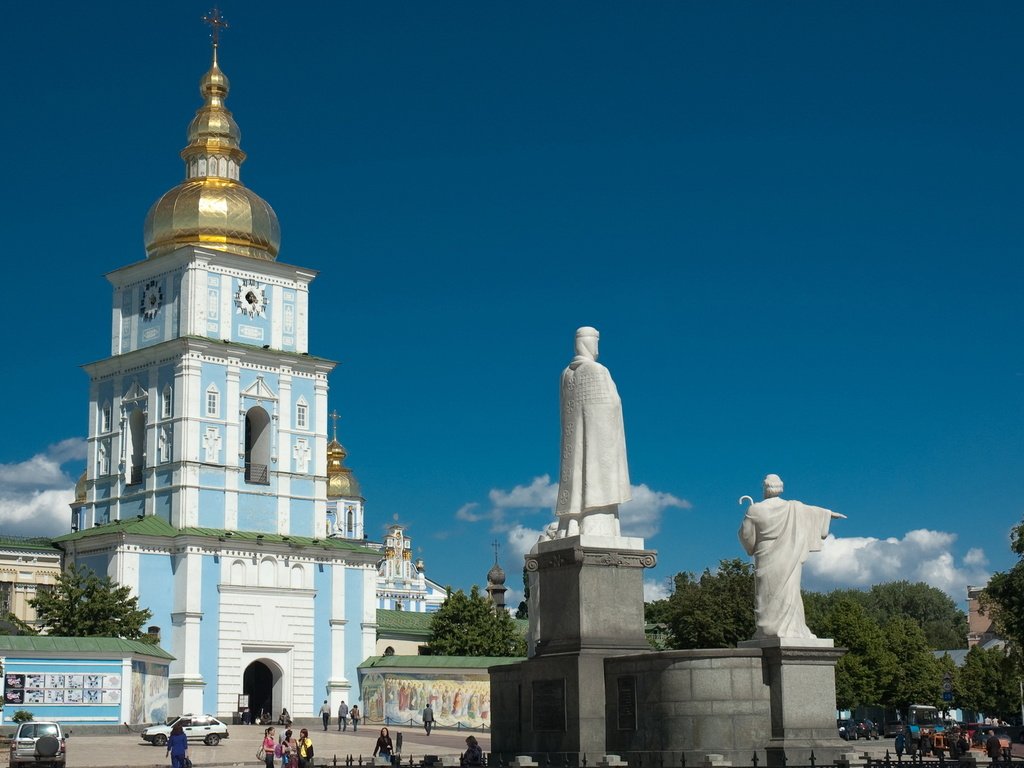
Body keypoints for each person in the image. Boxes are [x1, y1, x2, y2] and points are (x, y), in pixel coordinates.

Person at [738, 474, 845, 638]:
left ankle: (769, 630)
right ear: (780, 487)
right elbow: (812, 512)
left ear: (765, 488)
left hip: (766, 554)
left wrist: (751, 546)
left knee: (767, 594)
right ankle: (793, 629)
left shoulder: (755, 509)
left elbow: (746, 536)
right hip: (790, 553)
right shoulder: (794, 507)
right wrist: (828, 514)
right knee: (790, 591)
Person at [554, 326, 630, 538]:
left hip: (573, 438)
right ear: (590, 343)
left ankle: (572, 521)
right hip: (599, 440)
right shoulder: (598, 371)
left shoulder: (565, 374)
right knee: (595, 474)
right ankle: (596, 519)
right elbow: (611, 404)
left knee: (576, 471)